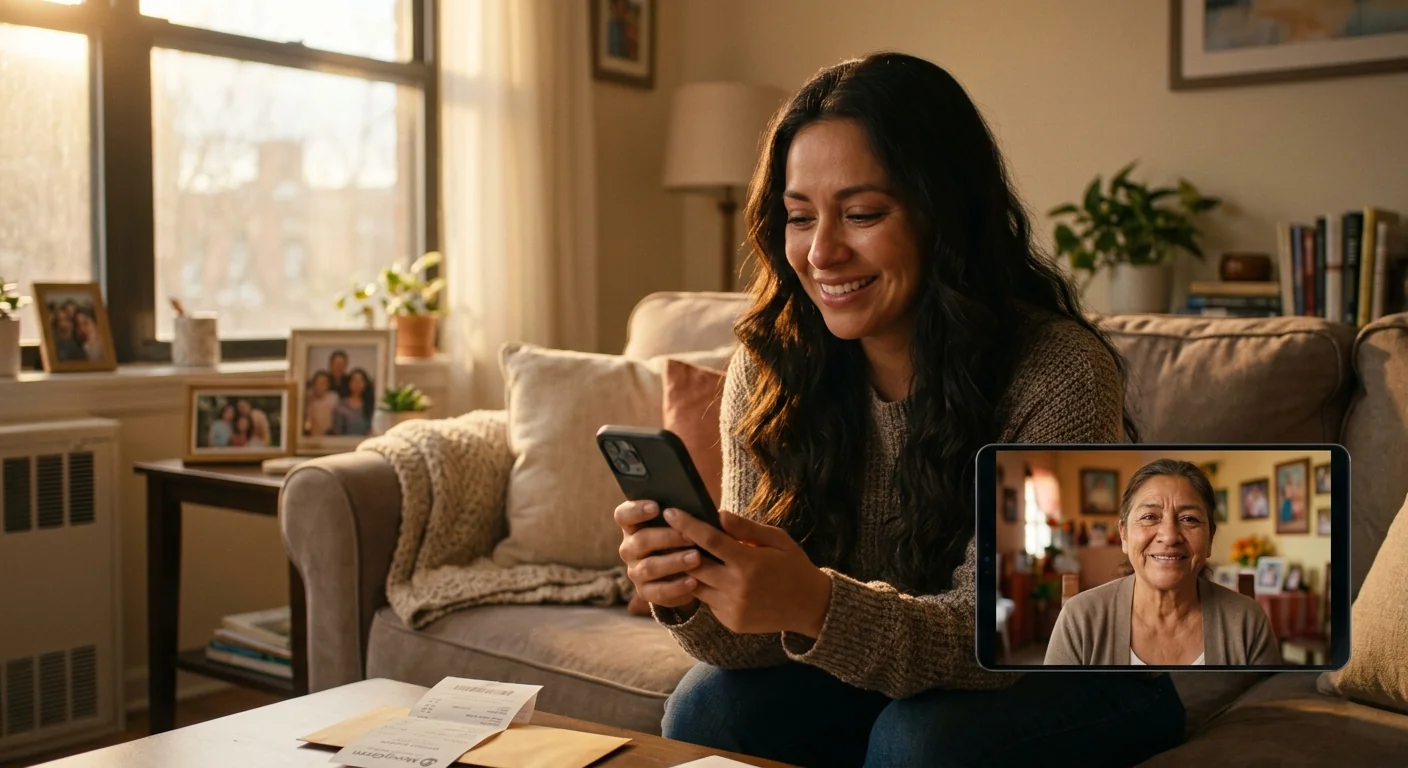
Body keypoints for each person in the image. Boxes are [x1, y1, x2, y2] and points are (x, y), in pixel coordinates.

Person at [613, 52, 1185, 767]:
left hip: (1070, 664)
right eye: (798, 217)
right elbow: (752, 646)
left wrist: (816, 604)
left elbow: (1011, 634)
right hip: (897, 665)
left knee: (919, 744)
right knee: (708, 706)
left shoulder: (1059, 372)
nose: (822, 252)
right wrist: (694, 590)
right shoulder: (771, 367)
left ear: (944, 215)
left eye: (862, 214)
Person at [1045, 459, 1281, 666]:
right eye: (1149, 517)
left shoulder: (1247, 621)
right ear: (1124, 535)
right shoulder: (1080, 619)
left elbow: (1264, 711)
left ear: (1210, 539)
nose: (1169, 536)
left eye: (1189, 519)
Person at [332, 368, 374, 436]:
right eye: (354, 381)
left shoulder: (369, 405)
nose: (357, 384)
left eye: (360, 381)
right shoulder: (341, 405)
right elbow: (337, 431)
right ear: (349, 383)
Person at [304, 371, 340, 437]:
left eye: (323, 383)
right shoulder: (308, 399)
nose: (320, 386)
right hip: (312, 436)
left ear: (328, 385)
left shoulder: (334, 398)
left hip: (330, 436)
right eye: (318, 383)